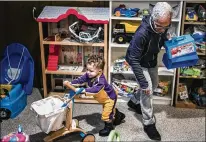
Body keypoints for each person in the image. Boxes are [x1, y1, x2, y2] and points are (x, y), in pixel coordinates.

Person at [125, 2, 173, 141]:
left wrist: (167, 39)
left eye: (166, 26)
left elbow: (161, 38)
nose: (162, 30)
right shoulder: (142, 33)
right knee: (148, 90)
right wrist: (144, 84)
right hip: (138, 63)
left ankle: (134, 102)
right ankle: (148, 123)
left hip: (151, 60)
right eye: (159, 26)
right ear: (153, 18)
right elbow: (134, 60)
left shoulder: (161, 29)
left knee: (156, 83)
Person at [63, 55, 125, 136]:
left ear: (99, 71)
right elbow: (80, 79)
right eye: (87, 69)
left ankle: (109, 128)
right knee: (111, 111)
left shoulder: (101, 81)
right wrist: (70, 83)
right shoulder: (89, 75)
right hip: (102, 98)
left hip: (109, 98)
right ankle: (119, 115)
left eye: (91, 70)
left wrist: (83, 90)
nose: (88, 72)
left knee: (106, 115)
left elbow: (95, 90)